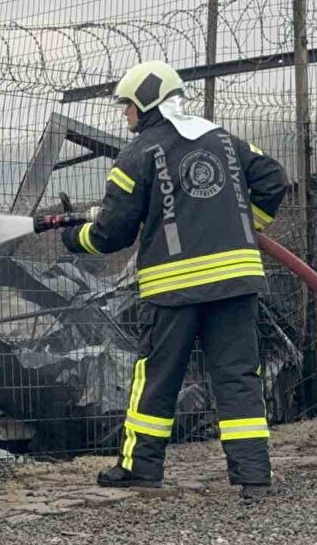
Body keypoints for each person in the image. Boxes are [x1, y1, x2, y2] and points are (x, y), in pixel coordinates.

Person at [61, 60, 288, 498]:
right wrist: (247, 226)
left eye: (127, 105)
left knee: (158, 376)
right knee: (238, 377)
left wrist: (74, 239)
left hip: (174, 287)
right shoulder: (223, 139)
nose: (125, 114)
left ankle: (142, 468)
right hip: (237, 282)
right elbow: (273, 179)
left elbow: (112, 233)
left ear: (147, 102)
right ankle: (254, 479)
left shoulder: (139, 154)